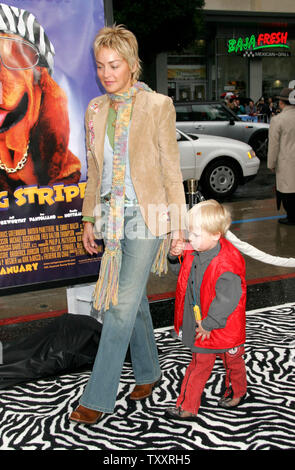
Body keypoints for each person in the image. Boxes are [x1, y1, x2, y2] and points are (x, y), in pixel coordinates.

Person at [69, 25, 186, 424]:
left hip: (148, 216)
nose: (106, 73)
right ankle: (150, 372)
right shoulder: (96, 109)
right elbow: (95, 170)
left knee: (118, 306)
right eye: (100, 65)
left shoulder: (158, 106)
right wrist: (89, 218)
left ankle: (97, 398)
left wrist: (178, 225)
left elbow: (172, 171)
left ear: (133, 64)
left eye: (114, 64)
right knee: (130, 302)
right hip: (111, 216)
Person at [165, 200, 247, 420]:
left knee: (233, 361)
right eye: (189, 231)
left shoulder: (228, 263)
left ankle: (238, 391)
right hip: (202, 323)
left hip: (222, 325)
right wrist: (175, 256)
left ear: (216, 235)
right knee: (199, 364)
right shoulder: (195, 249)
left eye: (196, 234)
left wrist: (209, 324)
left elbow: (228, 300)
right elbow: (180, 273)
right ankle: (188, 407)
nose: (190, 238)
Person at [267, 87, 295, 226]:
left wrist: (271, 163)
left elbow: (274, 146)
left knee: (287, 191)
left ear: (282, 103)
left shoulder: (278, 120)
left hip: (286, 161)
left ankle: (291, 217)